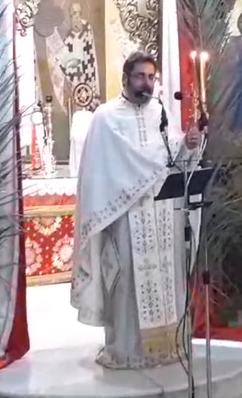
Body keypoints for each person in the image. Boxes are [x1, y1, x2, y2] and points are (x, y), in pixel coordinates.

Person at [71, 51, 201, 369]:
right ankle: (128, 350)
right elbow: (99, 173)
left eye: (151, 77)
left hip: (163, 215)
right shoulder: (106, 118)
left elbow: (174, 162)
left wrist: (189, 145)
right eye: (140, 76)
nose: (147, 83)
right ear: (126, 78)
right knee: (127, 279)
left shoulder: (161, 112)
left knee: (166, 278)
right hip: (127, 216)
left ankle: (167, 347)